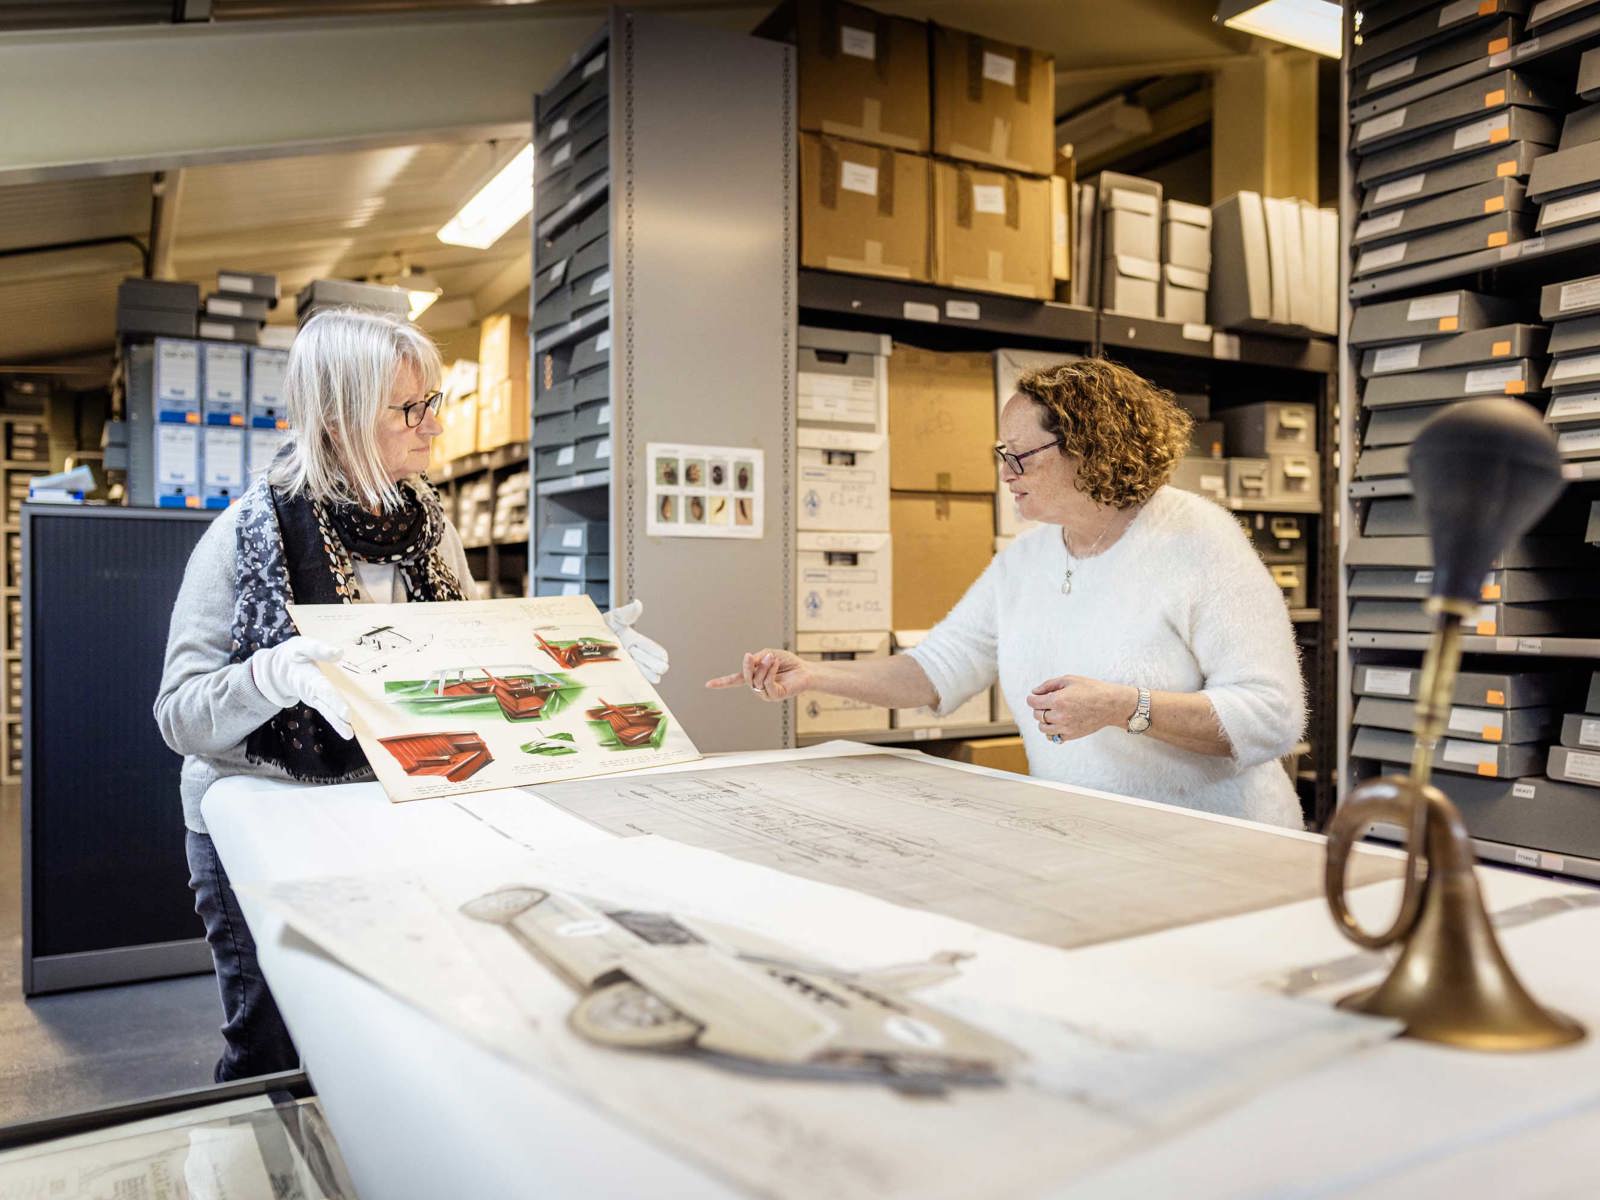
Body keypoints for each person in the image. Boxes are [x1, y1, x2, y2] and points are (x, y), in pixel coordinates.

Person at [154, 308, 667, 1081]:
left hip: (390, 809)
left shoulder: (428, 531)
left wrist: (589, 662)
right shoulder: (243, 536)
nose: (433, 427)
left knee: (372, 1031)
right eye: (410, 408)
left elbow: (469, 664)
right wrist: (269, 677)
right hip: (258, 821)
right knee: (271, 1045)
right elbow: (178, 715)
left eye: (435, 403)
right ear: (340, 417)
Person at [710, 357, 1305, 830]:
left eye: (1018, 455)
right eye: (1001, 454)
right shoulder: (1025, 560)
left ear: (1090, 446)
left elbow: (1271, 717)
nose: (1005, 473)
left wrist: (1124, 707)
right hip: (1092, 839)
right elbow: (936, 670)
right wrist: (812, 676)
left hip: (1217, 844)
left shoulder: (1196, 540)